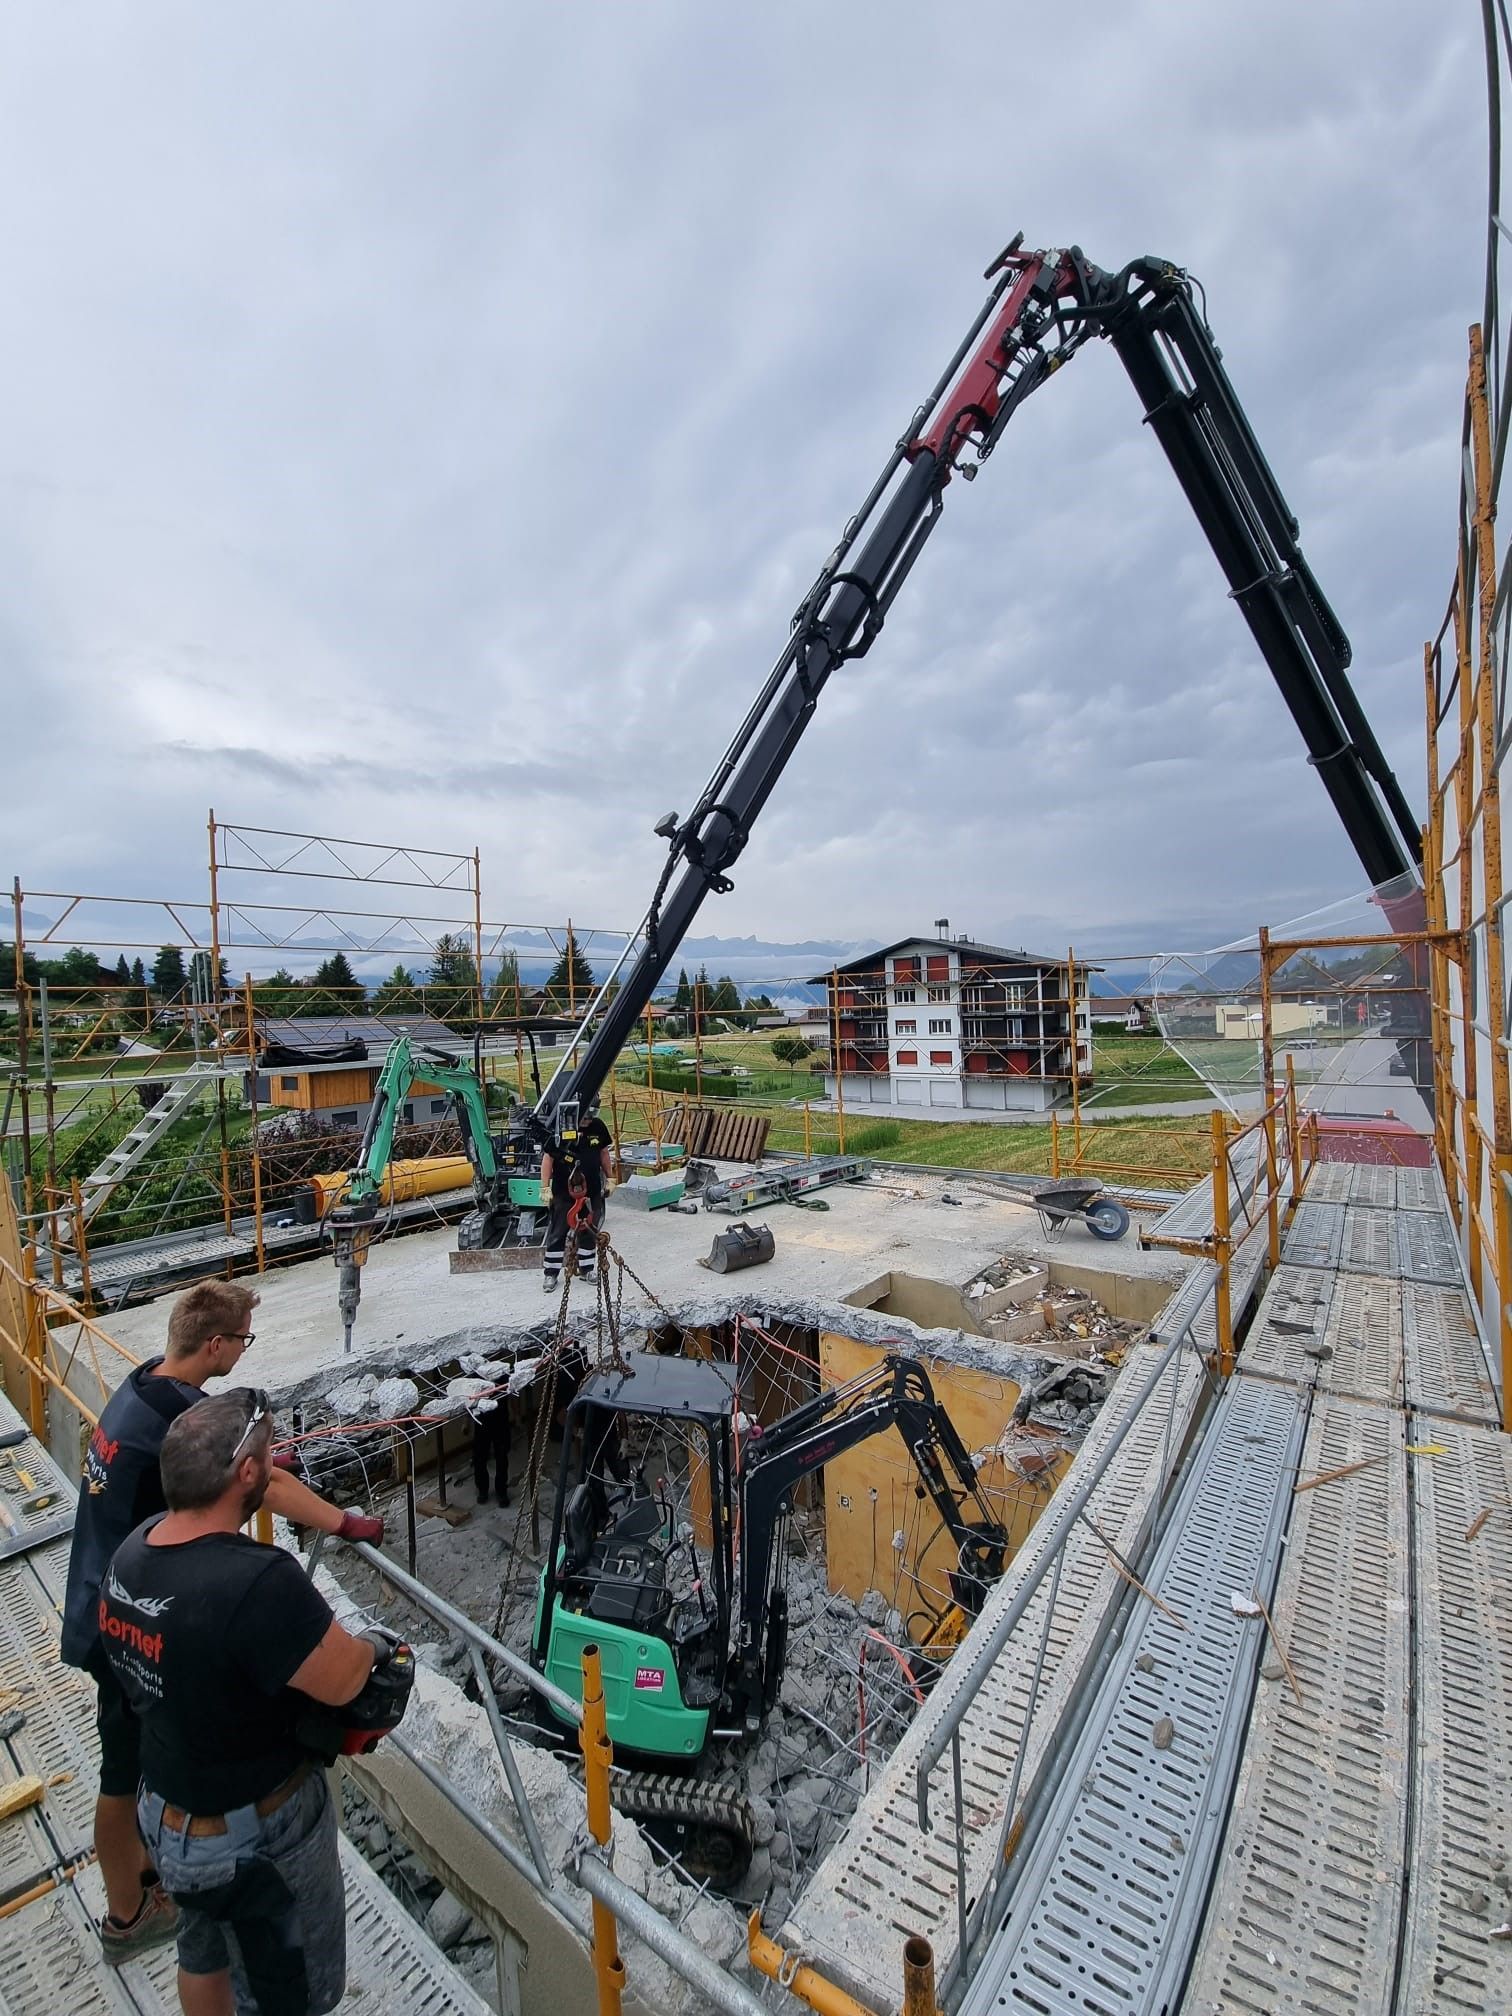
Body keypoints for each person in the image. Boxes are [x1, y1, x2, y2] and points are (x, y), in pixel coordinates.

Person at [61, 1280, 384, 1964]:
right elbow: (266, 1487)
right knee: (120, 1776)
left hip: (104, 1586)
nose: (243, 1349)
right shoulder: (180, 1418)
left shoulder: (144, 1387)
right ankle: (127, 1915)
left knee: (142, 1757)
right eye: (242, 1340)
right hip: (127, 1618)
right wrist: (343, 1520)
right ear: (215, 1345)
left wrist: (250, 1458)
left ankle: (154, 1876)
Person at [100, 1389, 385, 2016]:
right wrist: (373, 1647)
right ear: (248, 1474)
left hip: (167, 1817)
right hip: (256, 1842)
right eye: (268, 1458)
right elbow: (343, 1680)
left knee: (202, 1952)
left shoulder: (133, 1554)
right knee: (295, 1994)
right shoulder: (256, 1582)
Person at [539, 1099, 614, 1293]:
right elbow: (548, 1158)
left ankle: (587, 1268)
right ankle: (551, 1273)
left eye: (591, 1117)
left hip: (591, 1192)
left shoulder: (598, 1127)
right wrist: (545, 1187)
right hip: (564, 1193)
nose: (589, 1121)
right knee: (558, 1232)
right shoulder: (560, 1128)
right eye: (585, 1117)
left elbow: (604, 1152)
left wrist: (611, 1178)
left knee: (588, 1231)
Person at [470, 1394, 511, 1506]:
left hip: (500, 1415)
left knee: (502, 1455)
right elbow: (469, 1397)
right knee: (480, 1457)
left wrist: (516, 1415)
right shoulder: (476, 1376)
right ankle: (482, 1490)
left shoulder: (502, 1376)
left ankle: (501, 1491)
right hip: (481, 1418)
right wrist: (466, 1422)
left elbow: (510, 1391)